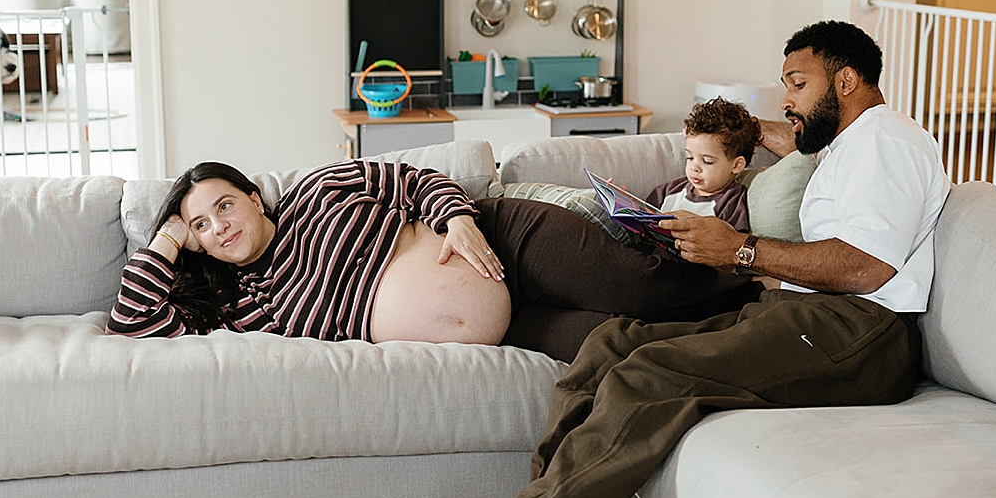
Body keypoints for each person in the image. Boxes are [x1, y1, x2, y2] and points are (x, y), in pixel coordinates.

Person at [354, 19, 951, 498]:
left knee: (651, 376)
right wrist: (760, 129)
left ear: (848, 79)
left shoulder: (888, 140)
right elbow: (789, 135)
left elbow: (867, 266)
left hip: (863, 331)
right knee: (612, 343)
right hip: (802, 314)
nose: (787, 100)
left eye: (798, 84)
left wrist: (743, 251)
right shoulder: (844, 142)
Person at [106, 157, 759, 361]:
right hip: (507, 327)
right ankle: (778, 330)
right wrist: (166, 240)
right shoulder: (245, 303)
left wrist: (458, 218)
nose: (217, 226)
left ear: (253, 196)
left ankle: (769, 274)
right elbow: (131, 322)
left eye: (223, 205)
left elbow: (417, 179)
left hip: (506, 242)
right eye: (200, 224)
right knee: (624, 344)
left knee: (647, 287)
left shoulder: (317, 190)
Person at [644, 96, 757, 232]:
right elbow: (644, 216)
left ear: (737, 165)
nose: (694, 168)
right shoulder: (670, 190)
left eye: (707, 161)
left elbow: (732, 243)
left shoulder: (730, 202)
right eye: (690, 157)